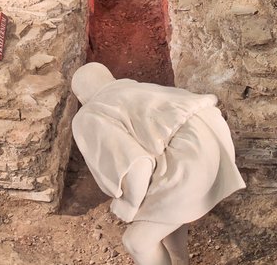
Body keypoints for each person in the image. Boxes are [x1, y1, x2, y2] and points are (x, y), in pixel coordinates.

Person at [71, 63, 245, 265]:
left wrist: (129, 204)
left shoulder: (91, 112)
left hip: (189, 152)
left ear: (82, 98)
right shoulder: (132, 89)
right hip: (212, 131)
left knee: (137, 242)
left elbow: (139, 164)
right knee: (162, 210)